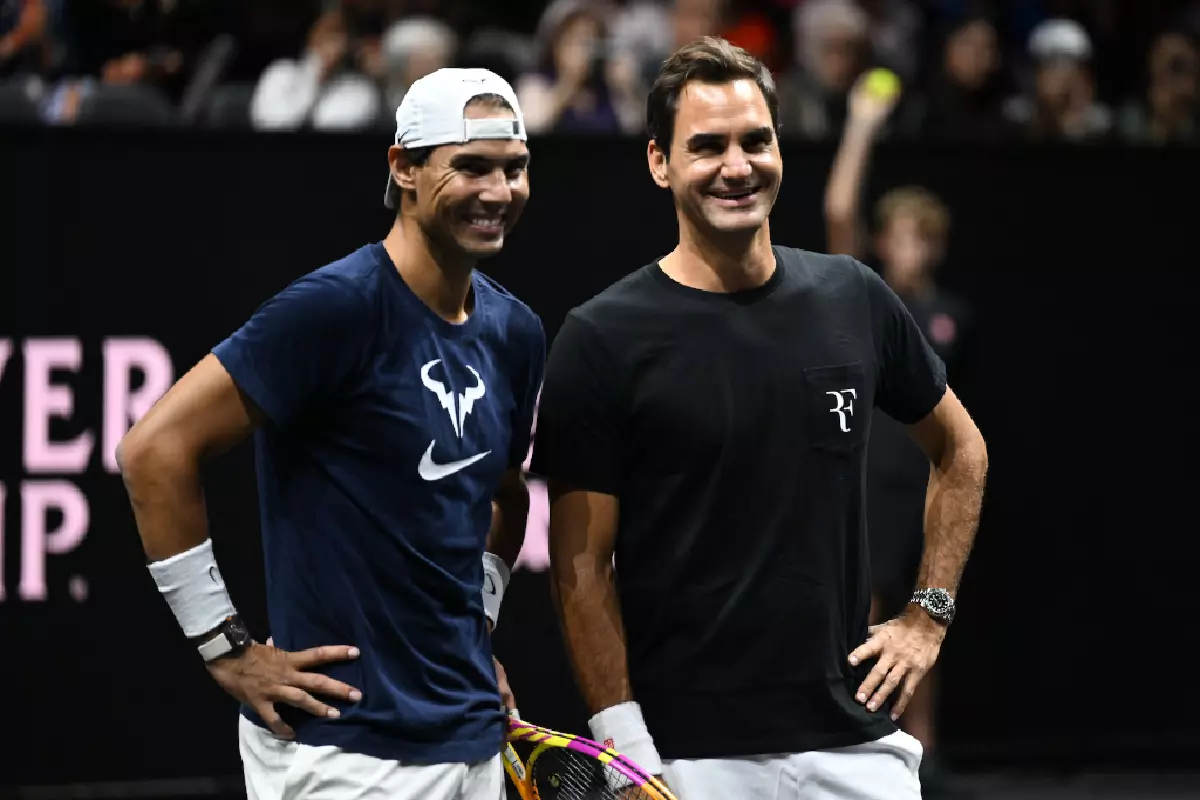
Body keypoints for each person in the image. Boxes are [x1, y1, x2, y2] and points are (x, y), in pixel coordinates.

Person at [530, 37, 988, 800]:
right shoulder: (602, 336)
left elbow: (962, 452)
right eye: (706, 146)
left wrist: (927, 615)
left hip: (856, 745)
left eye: (756, 140)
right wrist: (622, 741)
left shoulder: (854, 297)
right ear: (659, 163)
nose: (737, 166)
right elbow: (580, 569)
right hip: (688, 758)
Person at [117, 67, 545, 800]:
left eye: (515, 168)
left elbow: (507, 497)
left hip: (475, 738)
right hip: (343, 755)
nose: (498, 191)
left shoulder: (516, 331)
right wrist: (228, 650)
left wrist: (473, 627)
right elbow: (152, 451)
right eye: (470, 166)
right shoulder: (336, 308)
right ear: (404, 168)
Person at [825, 68, 976, 795]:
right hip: (863, 481)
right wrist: (861, 121)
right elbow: (837, 210)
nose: (910, 248)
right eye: (899, 235)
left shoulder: (951, 313)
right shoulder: (863, 294)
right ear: (883, 242)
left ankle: (926, 758)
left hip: (923, 489)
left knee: (926, 615)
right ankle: (864, 749)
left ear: (937, 246)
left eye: (924, 237)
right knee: (870, 616)